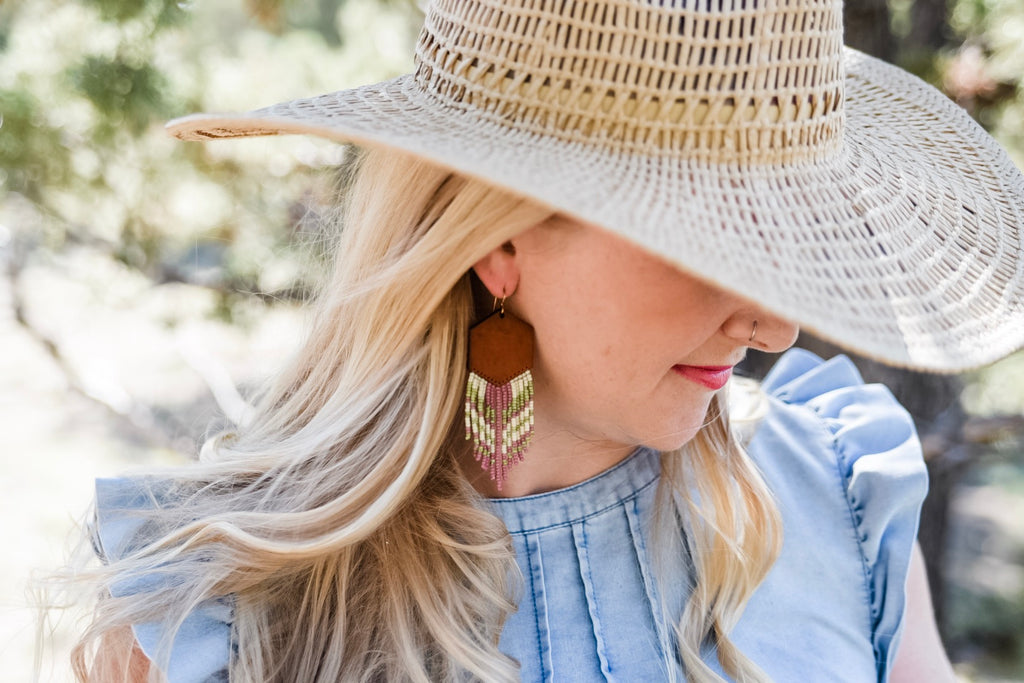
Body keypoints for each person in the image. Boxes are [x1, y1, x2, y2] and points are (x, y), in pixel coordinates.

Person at [68, 0, 1024, 681]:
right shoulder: (216, 610)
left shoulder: (841, 499)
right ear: (497, 239)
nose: (776, 324)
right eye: (713, 243)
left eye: (790, 245)